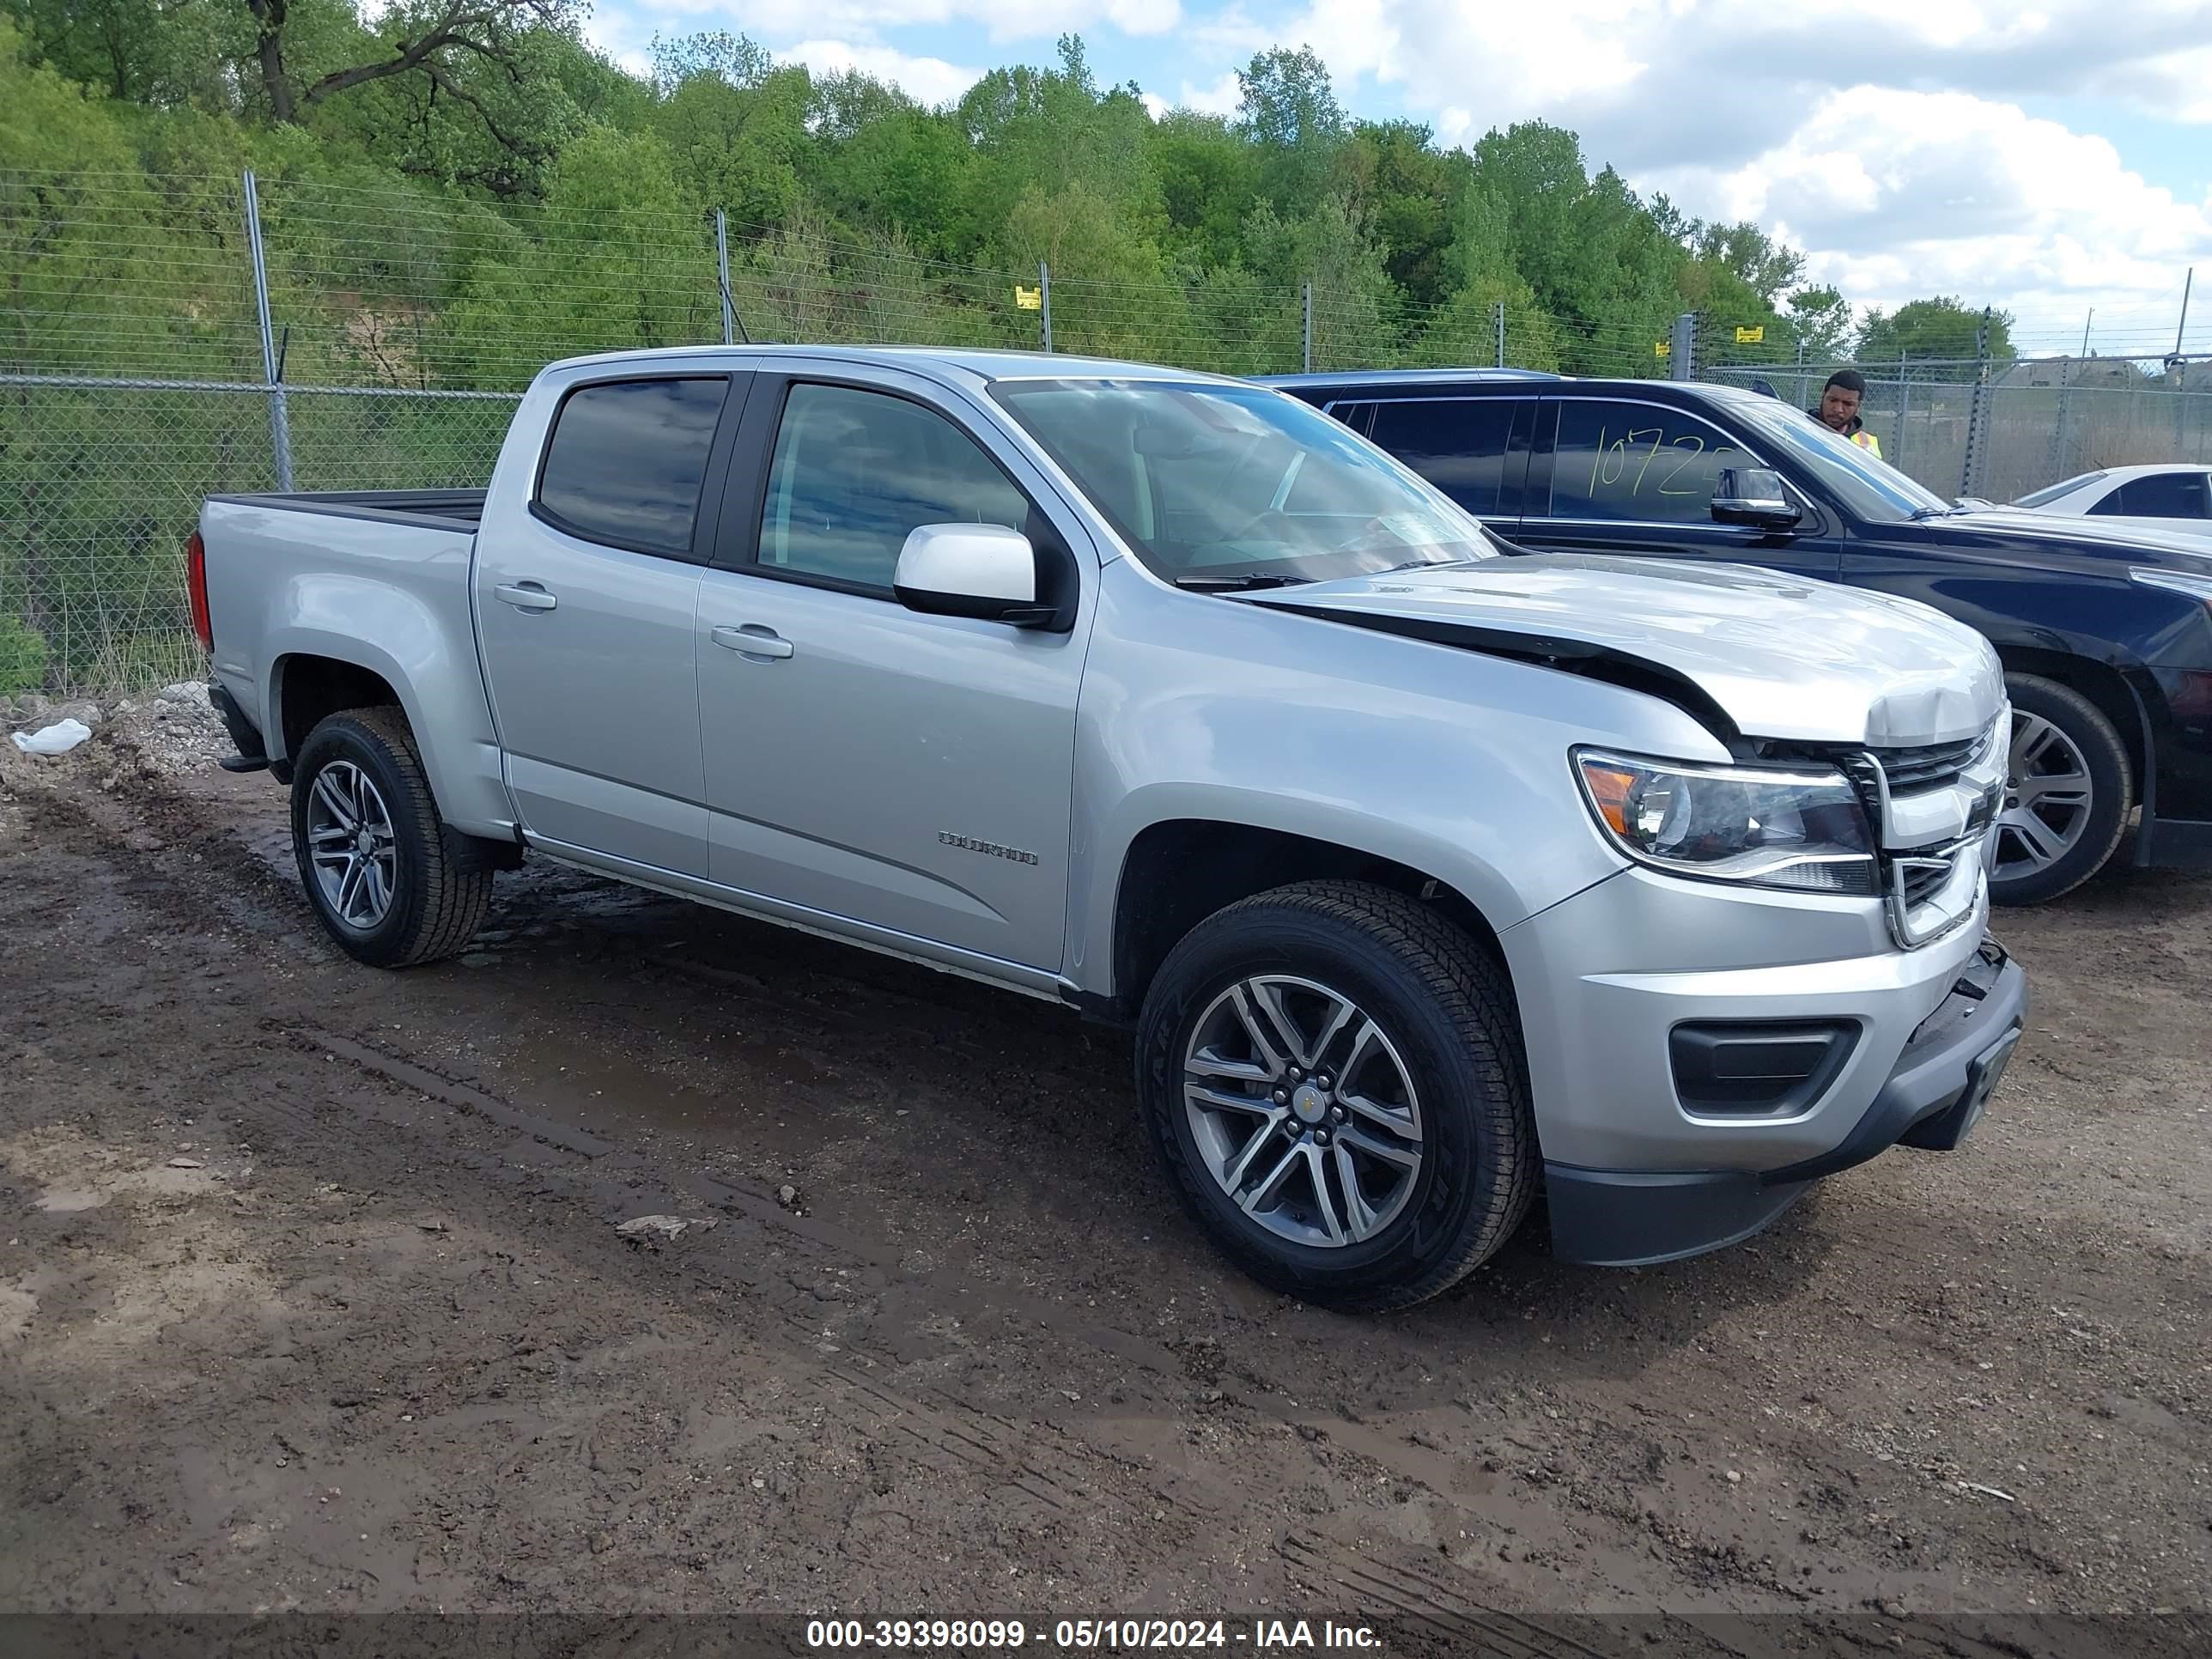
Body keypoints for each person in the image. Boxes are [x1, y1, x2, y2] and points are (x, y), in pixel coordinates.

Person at [1809, 369, 1882, 459]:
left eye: (1848, 404)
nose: (1838, 409)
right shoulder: (1799, 428)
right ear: (1823, 396)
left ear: (1858, 406)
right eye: (1832, 400)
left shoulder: (1868, 445)